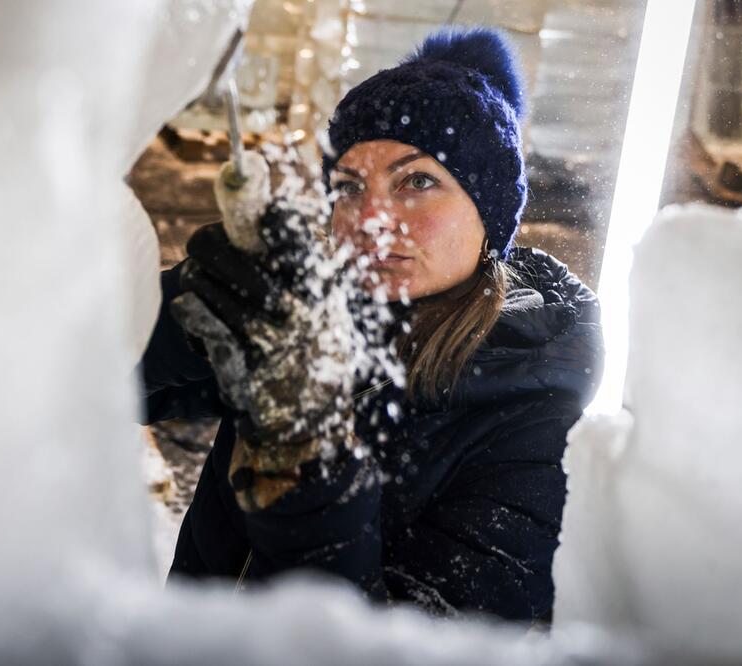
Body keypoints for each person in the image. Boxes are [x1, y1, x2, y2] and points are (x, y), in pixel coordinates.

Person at [139, 27, 603, 622]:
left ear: (490, 216)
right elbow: (97, 380)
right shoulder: (319, 316)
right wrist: (197, 306)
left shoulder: (539, 426)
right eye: (350, 187)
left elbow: (408, 645)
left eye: (417, 182)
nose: (371, 220)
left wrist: (302, 446)